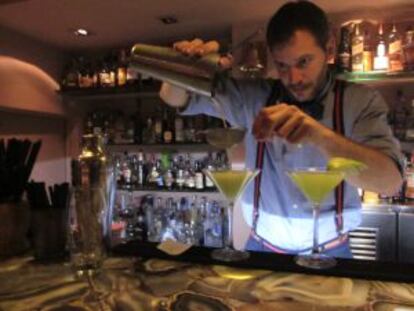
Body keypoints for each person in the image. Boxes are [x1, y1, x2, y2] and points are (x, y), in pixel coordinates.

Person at [159, 1, 403, 258]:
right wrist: (184, 66)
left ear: (329, 49)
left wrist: (319, 135)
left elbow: (390, 183)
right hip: (261, 248)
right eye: (283, 66)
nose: (294, 78)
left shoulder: (360, 101)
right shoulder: (253, 98)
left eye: (304, 61)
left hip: (332, 252)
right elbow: (174, 97)